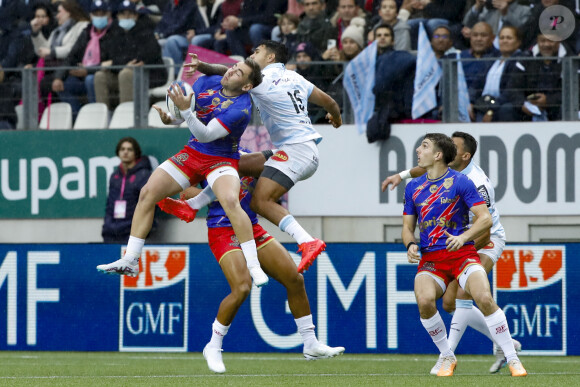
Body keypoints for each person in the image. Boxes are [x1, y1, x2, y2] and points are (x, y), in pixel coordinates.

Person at [159, 151, 345, 373]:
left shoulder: (250, 157)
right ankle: (214, 345)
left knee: (294, 278)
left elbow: (267, 188)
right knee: (242, 287)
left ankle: (310, 343)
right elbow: (185, 190)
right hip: (222, 229)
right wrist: (218, 192)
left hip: (253, 227)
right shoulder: (205, 155)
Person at [97, 58, 270, 288]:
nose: (231, 72)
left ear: (247, 86)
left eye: (239, 73)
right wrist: (173, 118)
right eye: (233, 67)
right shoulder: (207, 82)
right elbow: (187, 117)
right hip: (193, 153)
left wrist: (187, 112)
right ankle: (131, 260)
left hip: (221, 159)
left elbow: (206, 134)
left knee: (230, 201)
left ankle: (253, 265)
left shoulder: (241, 109)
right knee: (147, 192)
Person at [175, 40, 342, 273]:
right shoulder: (296, 78)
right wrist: (336, 119)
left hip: (297, 152)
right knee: (234, 165)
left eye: (257, 51)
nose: (252, 54)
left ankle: (306, 241)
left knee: (260, 202)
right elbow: (331, 102)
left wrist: (203, 66)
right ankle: (193, 205)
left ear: (270, 57)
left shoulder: (260, 82)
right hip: (296, 149)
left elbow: (229, 73)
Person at [381, 131, 522, 374]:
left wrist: (462, 252)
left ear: (462, 156)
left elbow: (485, 229)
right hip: (448, 245)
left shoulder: (475, 182)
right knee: (448, 303)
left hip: (484, 238)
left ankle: (448, 356)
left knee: (468, 293)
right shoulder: (429, 177)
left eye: (454, 148)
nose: (450, 150)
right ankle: (499, 341)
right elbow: (420, 173)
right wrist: (400, 176)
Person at [51, 0, 120, 118]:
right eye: (96, 14)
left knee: (90, 79)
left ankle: (97, 117)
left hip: (104, 75)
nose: (99, 17)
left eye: (102, 14)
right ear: (91, 15)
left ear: (108, 15)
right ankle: (78, 117)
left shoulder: (115, 32)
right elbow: (71, 57)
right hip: (82, 74)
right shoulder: (86, 32)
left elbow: (115, 60)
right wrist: (58, 77)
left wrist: (89, 70)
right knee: (63, 85)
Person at [94, 0, 167, 111]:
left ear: (136, 16)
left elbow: (141, 57)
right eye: (123, 14)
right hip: (122, 72)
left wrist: (116, 63)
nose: (126, 17)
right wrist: (121, 63)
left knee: (126, 74)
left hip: (150, 74)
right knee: (100, 76)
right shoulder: (115, 34)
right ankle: (103, 115)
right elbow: (112, 56)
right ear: (118, 16)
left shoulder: (145, 31)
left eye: (130, 14)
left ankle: (127, 115)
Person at [30, 0, 90, 107]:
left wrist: (52, 52)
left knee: (58, 85)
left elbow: (71, 50)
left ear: (69, 12)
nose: (57, 16)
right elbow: (43, 51)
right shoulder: (57, 31)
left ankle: (73, 117)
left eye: (59, 12)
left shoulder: (82, 26)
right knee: (43, 83)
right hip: (56, 70)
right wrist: (36, 33)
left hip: (71, 69)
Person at [102, 137, 154, 243]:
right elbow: (109, 204)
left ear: (136, 153)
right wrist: (107, 225)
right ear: (118, 152)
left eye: (129, 149)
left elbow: (148, 205)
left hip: (133, 233)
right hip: (111, 232)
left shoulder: (144, 175)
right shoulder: (114, 176)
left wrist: (136, 226)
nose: (125, 152)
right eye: (122, 149)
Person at [471, 25, 526, 122]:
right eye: (502, 38)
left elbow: (510, 91)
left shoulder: (520, 60)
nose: (504, 41)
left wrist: (491, 109)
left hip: (500, 105)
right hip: (484, 103)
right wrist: (471, 102)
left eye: (509, 38)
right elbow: (477, 83)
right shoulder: (491, 59)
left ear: (518, 42)